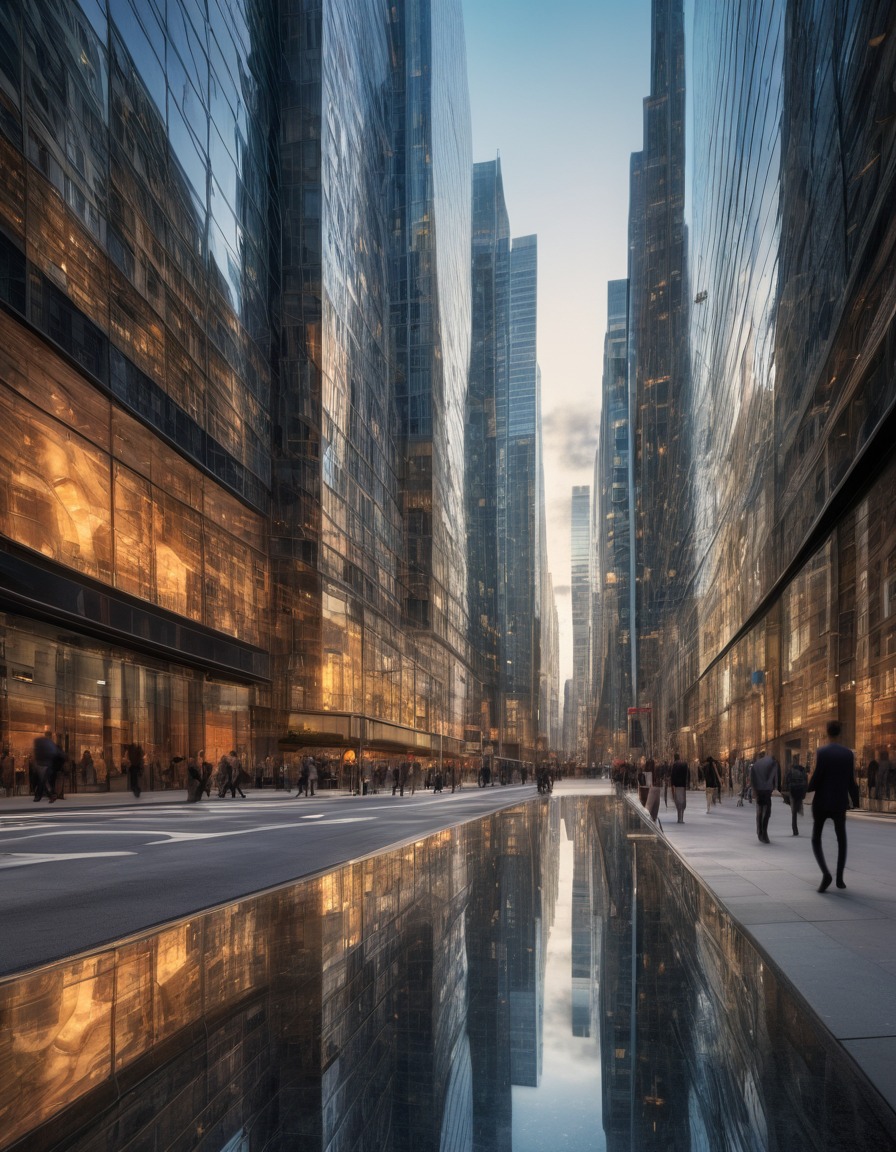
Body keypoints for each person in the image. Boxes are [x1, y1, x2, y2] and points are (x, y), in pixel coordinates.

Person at [807, 721, 860, 891]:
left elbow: (816, 778)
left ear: (826, 732)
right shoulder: (848, 754)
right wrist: (855, 800)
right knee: (841, 839)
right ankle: (840, 878)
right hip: (839, 802)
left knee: (816, 838)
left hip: (822, 802)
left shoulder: (822, 752)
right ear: (840, 733)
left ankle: (826, 874)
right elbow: (851, 781)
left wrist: (809, 787)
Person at [750, 749, 779, 843]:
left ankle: (759, 831)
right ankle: (764, 832)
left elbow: (752, 778)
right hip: (766, 790)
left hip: (759, 790)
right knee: (767, 811)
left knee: (759, 810)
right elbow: (773, 776)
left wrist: (754, 790)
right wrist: (774, 786)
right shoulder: (771, 763)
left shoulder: (755, 765)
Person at [33, 729, 62, 802]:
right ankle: (49, 795)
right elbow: (55, 753)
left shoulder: (43, 743)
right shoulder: (48, 743)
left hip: (43, 764)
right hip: (46, 765)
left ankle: (42, 796)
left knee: (43, 780)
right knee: (44, 781)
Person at [784, 756, 808, 835]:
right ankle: (796, 825)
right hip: (800, 790)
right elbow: (806, 780)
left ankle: (795, 828)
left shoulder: (791, 770)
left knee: (793, 811)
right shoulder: (802, 769)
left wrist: (787, 788)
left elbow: (787, 780)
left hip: (793, 790)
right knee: (797, 806)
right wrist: (804, 791)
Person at [670, 755, 688, 823]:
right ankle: (682, 818)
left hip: (677, 785)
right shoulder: (684, 764)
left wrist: (672, 784)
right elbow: (686, 775)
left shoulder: (675, 765)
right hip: (683, 786)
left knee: (678, 802)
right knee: (683, 802)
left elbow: (673, 775)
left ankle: (679, 818)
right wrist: (686, 784)